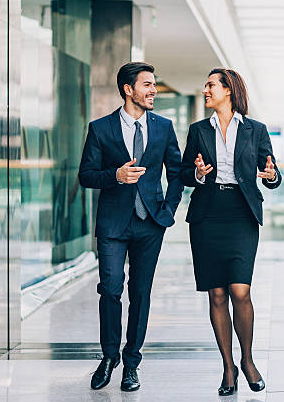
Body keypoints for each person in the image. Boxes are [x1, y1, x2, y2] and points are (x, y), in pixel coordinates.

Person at [78, 62, 184, 392]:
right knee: (110, 289)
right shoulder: (101, 128)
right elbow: (85, 175)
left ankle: (132, 362)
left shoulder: (164, 127)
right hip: (112, 223)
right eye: (147, 84)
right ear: (129, 89)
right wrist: (115, 175)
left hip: (151, 223)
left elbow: (176, 172)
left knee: (140, 293)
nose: (153, 90)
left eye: (154, 85)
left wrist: (167, 209)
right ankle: (109, 356)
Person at [180, 68, 281, 396]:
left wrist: (270, 174)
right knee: (217, 293)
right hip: (207, 214)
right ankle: (228, 367)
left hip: (241, 213)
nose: (206, 90)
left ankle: (248, 360)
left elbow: (272, 172)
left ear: (229, 90)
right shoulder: (198, 130)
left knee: (240, 290)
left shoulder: (255, 130)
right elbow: (183, 173)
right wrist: (196, 173)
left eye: (211, 85)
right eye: (206, 84)